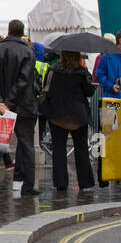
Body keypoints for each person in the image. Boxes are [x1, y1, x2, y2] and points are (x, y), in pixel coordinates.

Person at [0, 19, 40, 197]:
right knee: (26, 144)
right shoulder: (27, 52)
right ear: (22, 32)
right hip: (23, 105)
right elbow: (24, 79)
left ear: (8, 30)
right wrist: (9, 103)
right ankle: (27, 185)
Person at [38, 50, 96, 192]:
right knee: (81, 149)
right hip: (78, 115)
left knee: (58, 148)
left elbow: (47, 89)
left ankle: (60, 182)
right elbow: (89, 91)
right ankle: (85, 182)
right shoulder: (81, 72)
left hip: (57, 114)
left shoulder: (53, 70)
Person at [94, 29, 121, 99]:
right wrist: (110, 86)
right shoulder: (106, 56)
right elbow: (100, 75)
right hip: (110, 99)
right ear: (120, 41)